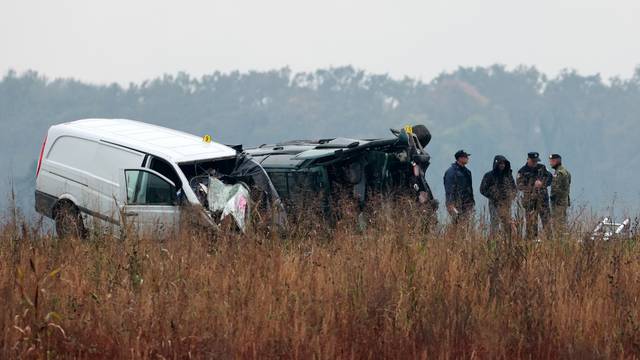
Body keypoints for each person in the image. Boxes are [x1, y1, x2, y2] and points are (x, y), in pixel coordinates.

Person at [517, 152, 552, 240]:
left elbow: (550, 178)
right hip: (530, 202)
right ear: (528, 160)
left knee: (547, 222)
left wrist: (542, 183)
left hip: (543, 200)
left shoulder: (542, 168)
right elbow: (519, 186)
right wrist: (532, 186)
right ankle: (531, 243)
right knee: (531, 224)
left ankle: (550, 242)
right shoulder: (522, 171)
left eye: (536, 161)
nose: (535, 163)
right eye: (533, 161)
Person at [480, 155, 516, 238]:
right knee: (495, 223)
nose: (502, 165)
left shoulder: (508, 175)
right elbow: (482, 189)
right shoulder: (489, 175)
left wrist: (511, 196)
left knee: (507, 224)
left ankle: (508, 242)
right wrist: (493, 195)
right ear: (496, 164)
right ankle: (494, 241)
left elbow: (514, 188)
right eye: (500, 163)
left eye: (504, 163)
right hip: (494, 203)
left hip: (506, 204)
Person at [444, 150, 475, 224]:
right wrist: (450, 203)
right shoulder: (451, 172)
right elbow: (449, 188)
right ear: (459, 158)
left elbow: (470, 188)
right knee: (457, 223)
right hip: (456, 203)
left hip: (467, 203)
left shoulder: (467, 172)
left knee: (466, 225)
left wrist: (472, 201)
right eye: (465, 157)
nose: (467, 158)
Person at [549, 153, 571, 236]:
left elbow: (556, 189)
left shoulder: (559, 173)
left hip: (558, 203)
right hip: (563, 202)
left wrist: (553, 198)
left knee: (558, 225)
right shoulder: (566, 172)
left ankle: (559, 243)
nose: (550, 163)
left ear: (556, 161)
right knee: (562, 223)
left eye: (551, 161)